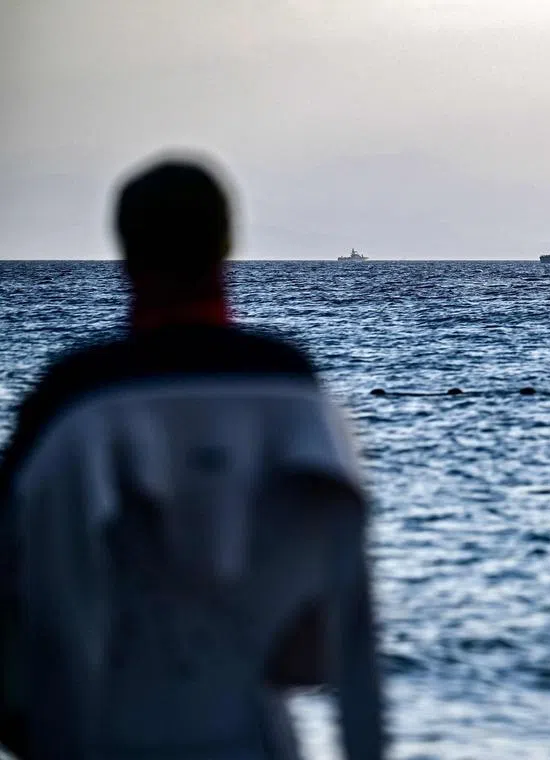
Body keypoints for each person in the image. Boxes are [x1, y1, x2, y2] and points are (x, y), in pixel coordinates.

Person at [0, 155, 385, 760]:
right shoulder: (297, 397)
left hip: (102, 732)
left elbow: (33, 600)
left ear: (125, 251)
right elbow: (349, 624)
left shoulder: (76, 405)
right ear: (228, 244)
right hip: (258, 735)